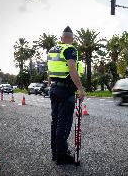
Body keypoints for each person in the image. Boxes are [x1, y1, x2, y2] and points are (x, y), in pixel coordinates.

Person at [47, 26, 84, 165]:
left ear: (61, 38)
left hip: (54, 89)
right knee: (64, 123)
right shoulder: (70, 49)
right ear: (71, 39)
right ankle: (61, 156)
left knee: (55, 122)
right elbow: (72, 67)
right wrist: (80, 88)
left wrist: (52, 85)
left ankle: (55, 153)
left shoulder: (52, 50)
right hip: (66, 91)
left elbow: (50, 70)